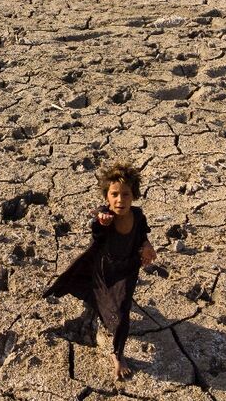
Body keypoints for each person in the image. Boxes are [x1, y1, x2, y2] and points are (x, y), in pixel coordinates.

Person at [43, 160, 157, 379]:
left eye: (125, 194)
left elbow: (142, 234)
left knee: (122, 311)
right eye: (114, 194)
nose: (120, 199)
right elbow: (98, 229)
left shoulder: (139, 216)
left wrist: (147, 246)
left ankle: (117, 353)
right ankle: (98, 308)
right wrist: (102, 222)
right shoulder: (105, 217)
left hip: (128, 270)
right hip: (105, 270)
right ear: (107, 197)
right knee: (104, 300)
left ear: (134, 195)